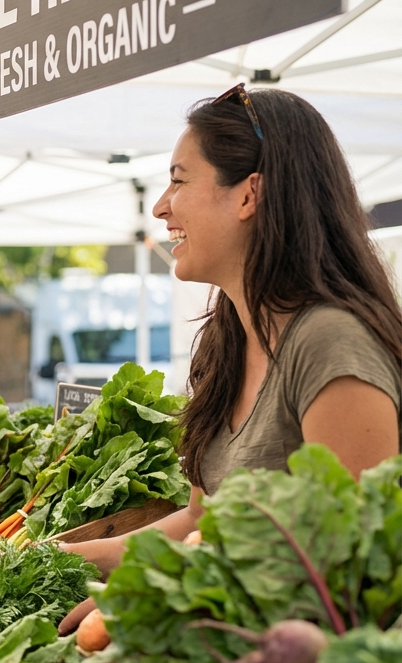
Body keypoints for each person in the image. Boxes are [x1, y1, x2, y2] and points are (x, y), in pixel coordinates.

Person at [62, 86, 402, 578]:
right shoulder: (230, 341)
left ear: (249, 194)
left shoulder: (330, 342)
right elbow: (201, 522)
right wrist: (61, 560)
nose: (161, 208)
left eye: (178, 182)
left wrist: (144, 607)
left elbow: (355, 562)